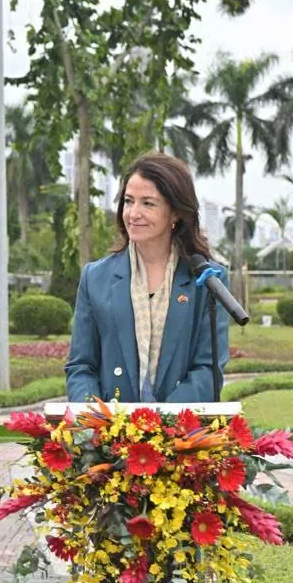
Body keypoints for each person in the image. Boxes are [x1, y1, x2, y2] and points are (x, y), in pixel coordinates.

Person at [65, 152, 229, 405]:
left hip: (182, 435)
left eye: (148, 203)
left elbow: (208, 369)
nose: (134, 213)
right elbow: (81, 367)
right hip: (110, 436)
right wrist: (95, 420)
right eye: (129, 201)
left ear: (175, 213)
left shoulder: (207, 280)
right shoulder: (95, 278)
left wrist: (160, 424)